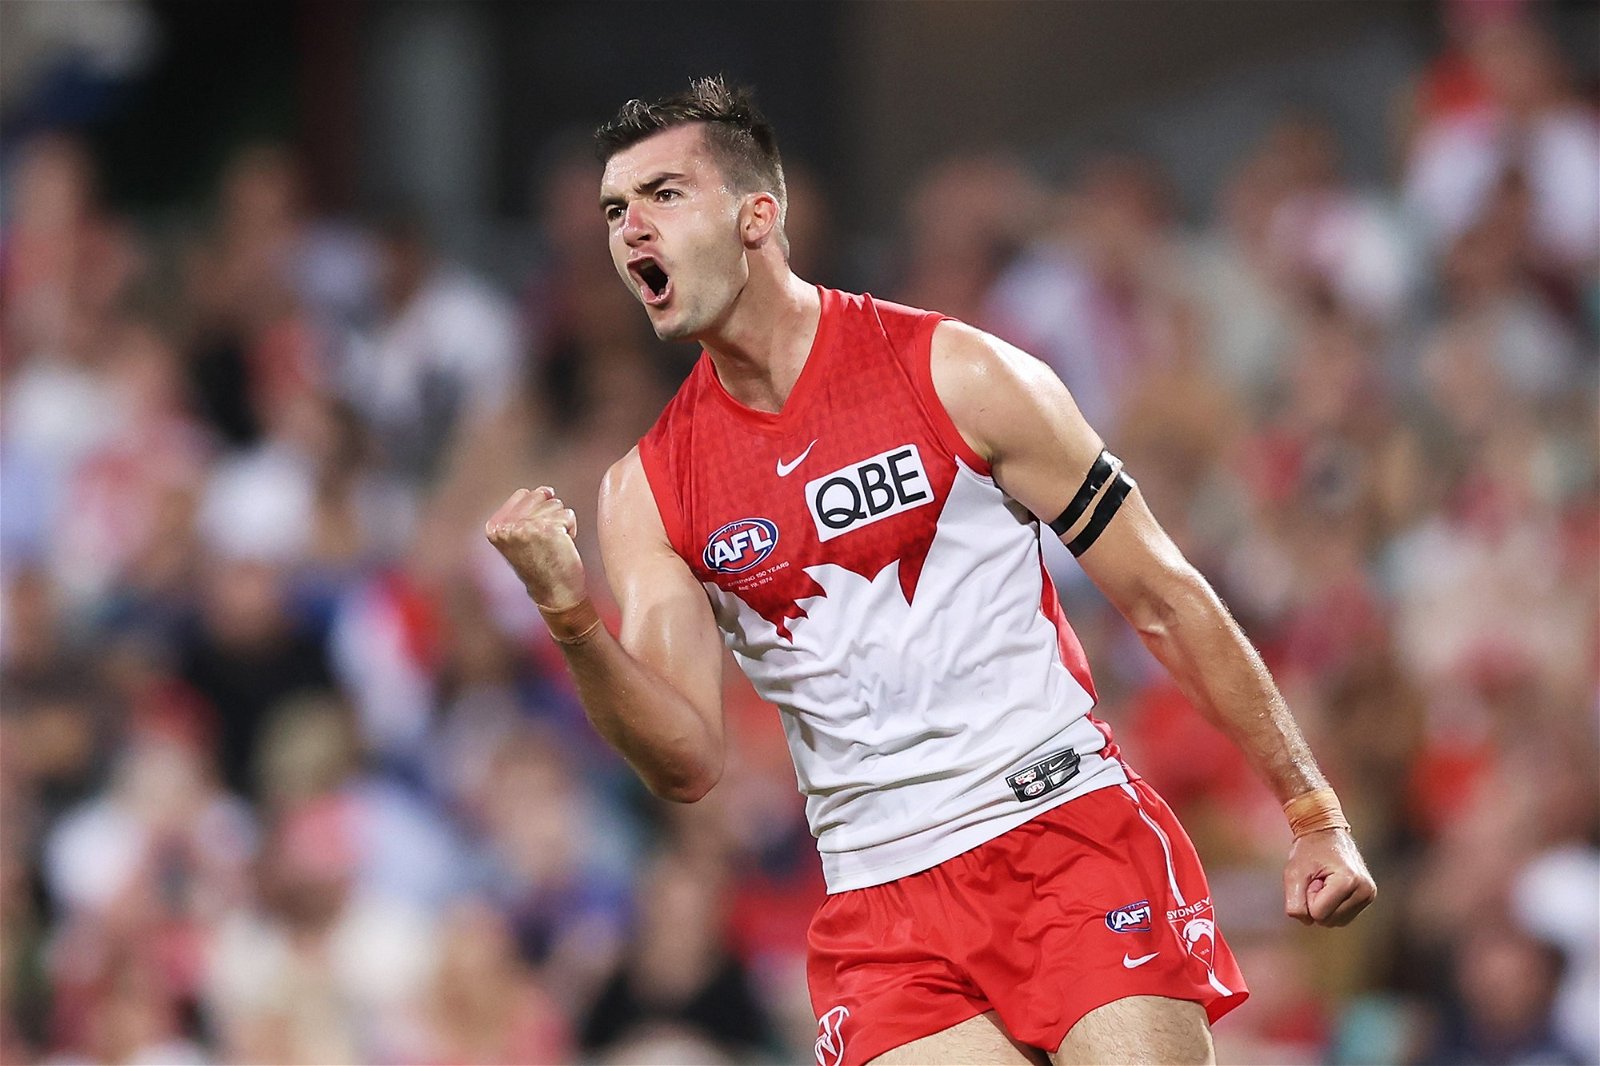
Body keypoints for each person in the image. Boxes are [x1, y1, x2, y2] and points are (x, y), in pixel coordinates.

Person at [484, 77, 1376, 1066]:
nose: (630, 230)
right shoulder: (647, 491)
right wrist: (569, 614)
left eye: (663, 195)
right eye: (615, 209)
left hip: (1063, 834)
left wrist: (1311, 811)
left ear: (756, 216)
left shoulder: (958, 372)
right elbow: (684, 762)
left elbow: (1163, 596)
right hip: (883, 905)